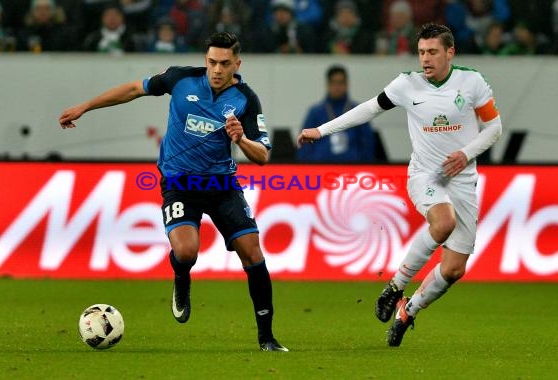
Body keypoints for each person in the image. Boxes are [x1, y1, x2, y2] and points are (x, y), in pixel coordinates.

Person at [58, 32, 288, 352]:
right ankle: (182, 279)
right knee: (186, 252)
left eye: (224, 63)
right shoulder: (181, 79)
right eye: (211, 62)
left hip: (221, 185)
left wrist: (241, 141)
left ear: (237, 63)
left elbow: (262, 156)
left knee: (252, 251)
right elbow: (134, 88)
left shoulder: (246, 99)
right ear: (205, 60)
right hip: (179, 182)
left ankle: (267, 338)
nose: (217, 70)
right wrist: (86, 106)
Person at [297, 23, 502, 347]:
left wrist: (466, 153)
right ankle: (395, 286)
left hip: (462, 179)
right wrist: (321, 131)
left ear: (450, 52)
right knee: (443, 222)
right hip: (426, 176)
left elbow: (493, 128)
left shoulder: (472, 82)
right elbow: (368, 109)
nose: (425, 59)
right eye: (421, 52)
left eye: (433, 52)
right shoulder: (407, 85)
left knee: (453, 270)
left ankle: (409, 310)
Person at [296, 65, 375, 163]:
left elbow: (367, 143)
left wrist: (365, 167)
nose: (337, 87)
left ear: (347, 84)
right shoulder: (315, 112)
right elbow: (305, 145)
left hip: (352, 169)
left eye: (341, 83)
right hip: (320, 168)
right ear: (327, 85)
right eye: (334, 83)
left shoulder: (358, 110)